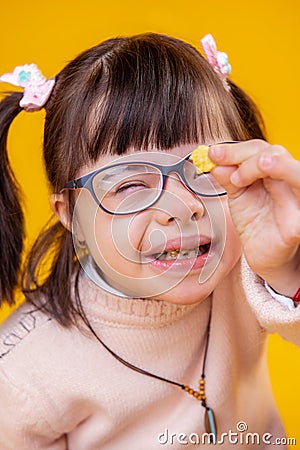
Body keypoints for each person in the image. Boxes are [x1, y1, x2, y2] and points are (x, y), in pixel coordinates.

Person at [0, 32, 299, 450]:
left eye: (204, 168)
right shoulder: (23, 374)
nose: (182, 206)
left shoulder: (248, 269)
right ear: (72, 215)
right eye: (130, 185)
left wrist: (288, 267)